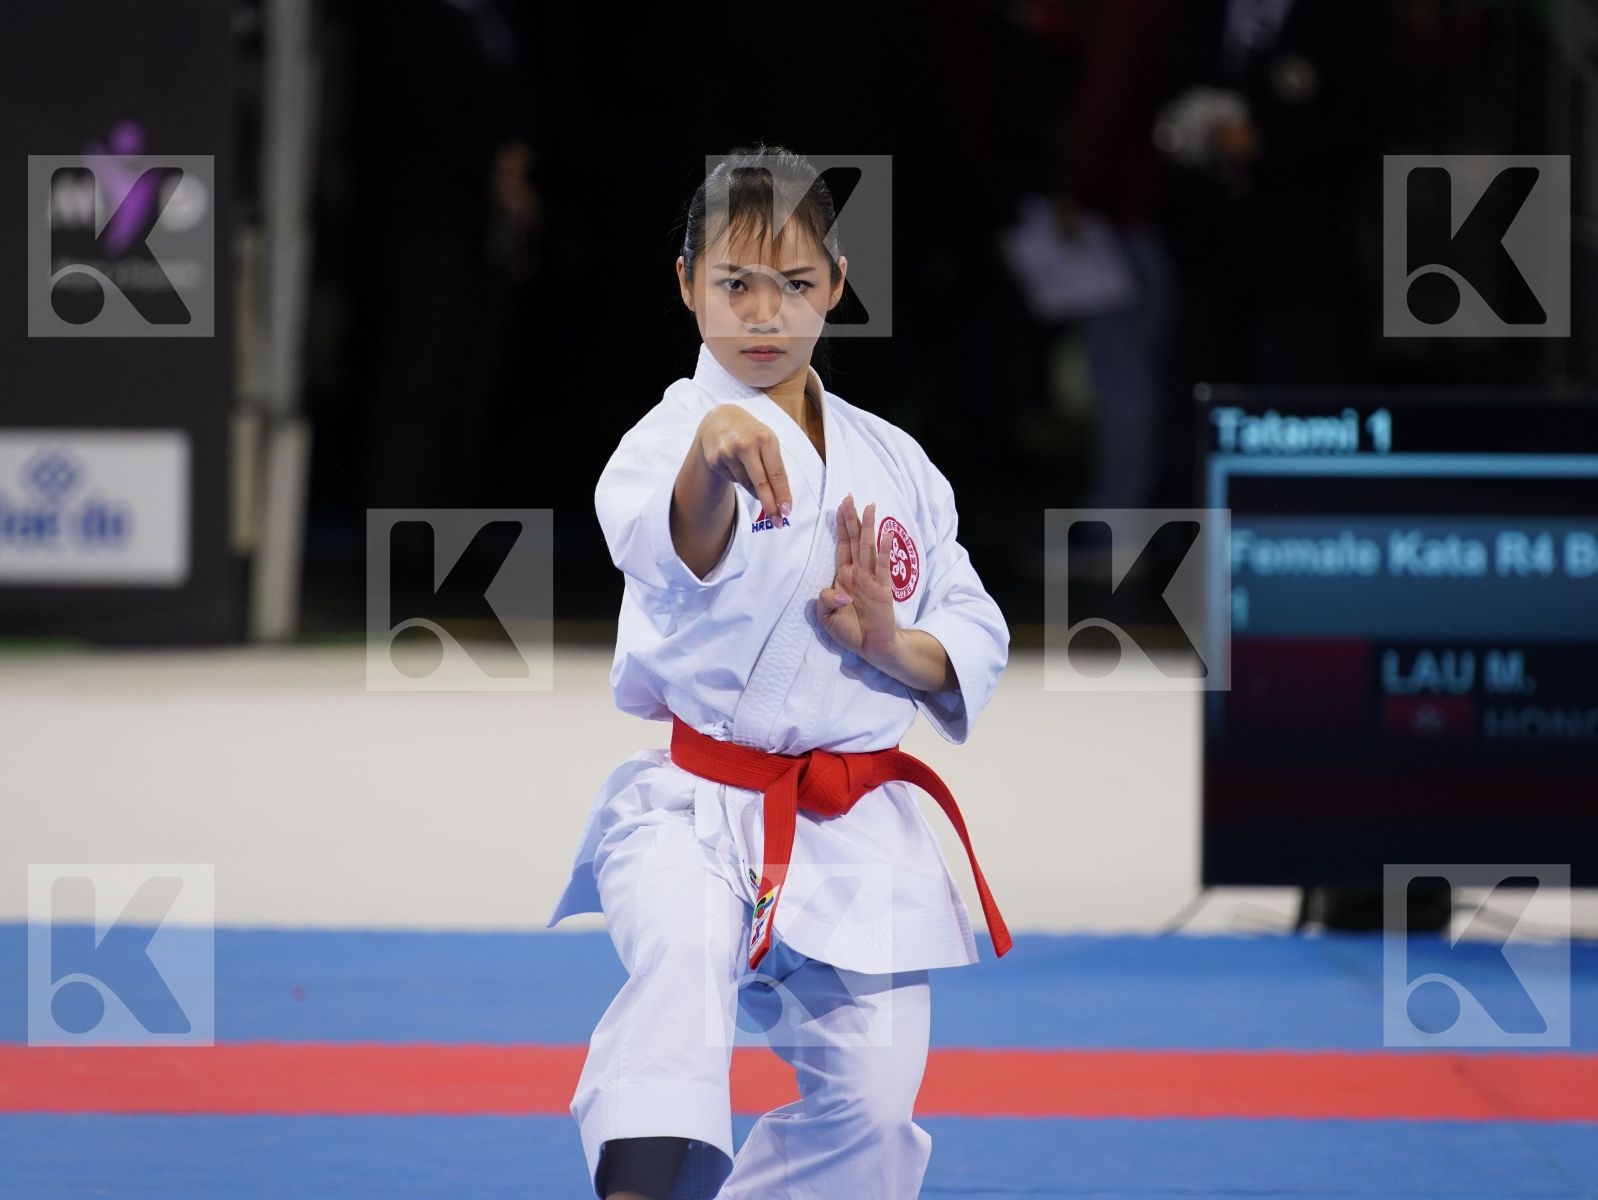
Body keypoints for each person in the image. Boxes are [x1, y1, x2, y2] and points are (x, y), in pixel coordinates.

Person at [544, 145, 1013, 1200]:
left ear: (836, 286)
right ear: (685, 285)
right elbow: (670, 546)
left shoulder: (893, 461)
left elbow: (972, 625)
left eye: (794, 284)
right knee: (679, 978)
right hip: (694, 809)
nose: (763, 313)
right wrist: (710, 461)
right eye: (734, 284)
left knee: (875, 1108)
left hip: (850, 824)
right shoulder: (665, 441)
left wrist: (890, 647)